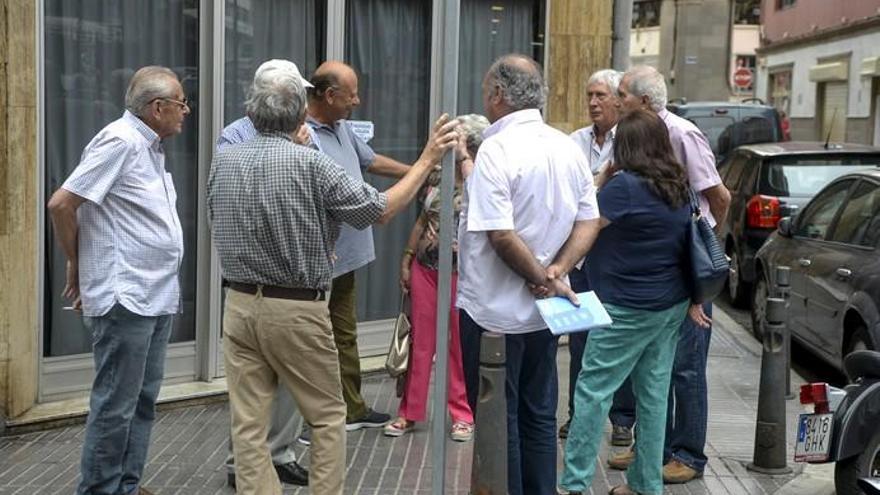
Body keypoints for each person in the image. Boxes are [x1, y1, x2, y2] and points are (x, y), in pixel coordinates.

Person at [207, 62, 458, 495]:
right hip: (295, 307)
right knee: (326, 415)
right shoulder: (310, 162)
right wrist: (427, 160)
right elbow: (378, 210)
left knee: (248, 422)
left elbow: (218, 218)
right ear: (299, 115)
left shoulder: (226, 157)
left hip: (240, 302)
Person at [456, 54, 601, 495]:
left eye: (486, 92)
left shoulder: (497, 149)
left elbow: (501, 235)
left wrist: (543, 274)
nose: (486, 99)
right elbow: (588, 220)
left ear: (499, 96)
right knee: (539, 413)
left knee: (501, 417)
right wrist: (555, 272)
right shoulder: (565, 146)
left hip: (494, 315)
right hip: (548, 309)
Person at [47, 66, 191, 495]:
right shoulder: (120, 141)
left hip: (155, 294)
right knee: (116, 406)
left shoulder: (149, 146)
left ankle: (124, 486)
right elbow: (62, 204)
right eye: (181, 103)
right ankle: (99, 490)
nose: (186, 111)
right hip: (126, 297)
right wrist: (78, 261)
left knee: (142, 402)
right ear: (157, 107)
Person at [558, 109, 706, 495]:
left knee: (592, 391)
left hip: (626, 307)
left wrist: (602, 179)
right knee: (654, 395)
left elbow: (582, 221)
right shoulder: (677, 185)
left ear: (625, 147)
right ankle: (644, 484)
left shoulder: (624, 188)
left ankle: (574, 484)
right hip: (670, 305)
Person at [608, 65, 731, 483]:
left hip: (686, 266)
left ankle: (688, 455)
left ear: (643, 101)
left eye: (621, 94)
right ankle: (651, 451)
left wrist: (703, 244)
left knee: (687, 365)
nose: (614, 100)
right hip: (659, 269)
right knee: (653, 366)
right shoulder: (639, 133)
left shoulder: (681, 134)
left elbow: (719, 196)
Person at [302, 60, 415, 437]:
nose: (358, 101)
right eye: (351, 95)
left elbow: (372, 161)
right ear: (329, 95)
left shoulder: (342, 128)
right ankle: (310, 419)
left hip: (347, 255)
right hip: (318, 257)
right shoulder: (303, 135)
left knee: (344, 333)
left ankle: (352, 408)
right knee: (313, 340)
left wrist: (417, 170)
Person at [216, 59, 312, 490]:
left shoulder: (305, 139)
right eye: (295, 95)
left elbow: (315, 193)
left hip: (297, 279)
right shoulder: (233, 138)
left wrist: (304, 149)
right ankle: (245, 465)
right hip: (254, 279)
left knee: (290, 383)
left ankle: (281, 452)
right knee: (252, 391)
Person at [385, 114, 489, 441]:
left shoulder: (481, 178)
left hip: (463, 273)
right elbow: (422, 220)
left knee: (458, 345)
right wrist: (406, 258)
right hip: (425, 269)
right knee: (421, 343)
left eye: (456, 139)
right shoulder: (436, 176)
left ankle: (462, 413)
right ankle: (410, 411)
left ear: (470, 144)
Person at [560, 68, 635, 447]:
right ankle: (578, 416)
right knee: (580, 343)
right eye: (589, 95)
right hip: (581, 260)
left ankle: (622, 420)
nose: (592, 103)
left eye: (601, 96)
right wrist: (598, 183)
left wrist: (593, 188)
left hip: (616, 260)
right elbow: (570, 197)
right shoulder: (573, 141)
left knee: (617, 341)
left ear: (619, 101)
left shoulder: (632, 143)